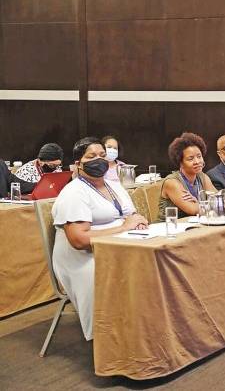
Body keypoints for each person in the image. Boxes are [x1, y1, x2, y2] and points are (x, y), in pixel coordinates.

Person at [52, 137, 148, 341]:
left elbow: (131, 216)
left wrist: (137, 223)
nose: (99, 160)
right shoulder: (73, 193)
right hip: (82, 258)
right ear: (78, 163)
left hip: (118, 246)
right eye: (92, 156)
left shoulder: (114, 185)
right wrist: (123, 227)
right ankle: (110, 340)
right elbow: (79, 240)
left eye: (102, 155)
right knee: (116, 274)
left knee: (150, 264)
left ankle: (140, 329)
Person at [158, 132, 217, 220]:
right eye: (190, 159)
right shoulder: (172, 182)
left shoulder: (202, 177)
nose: (197, 161)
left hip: (194, 226)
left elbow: (220, 202)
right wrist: (201, 205)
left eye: (199, 156)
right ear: (180, 163)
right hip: (168, 228)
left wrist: (198, 204)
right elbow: (192, 210)